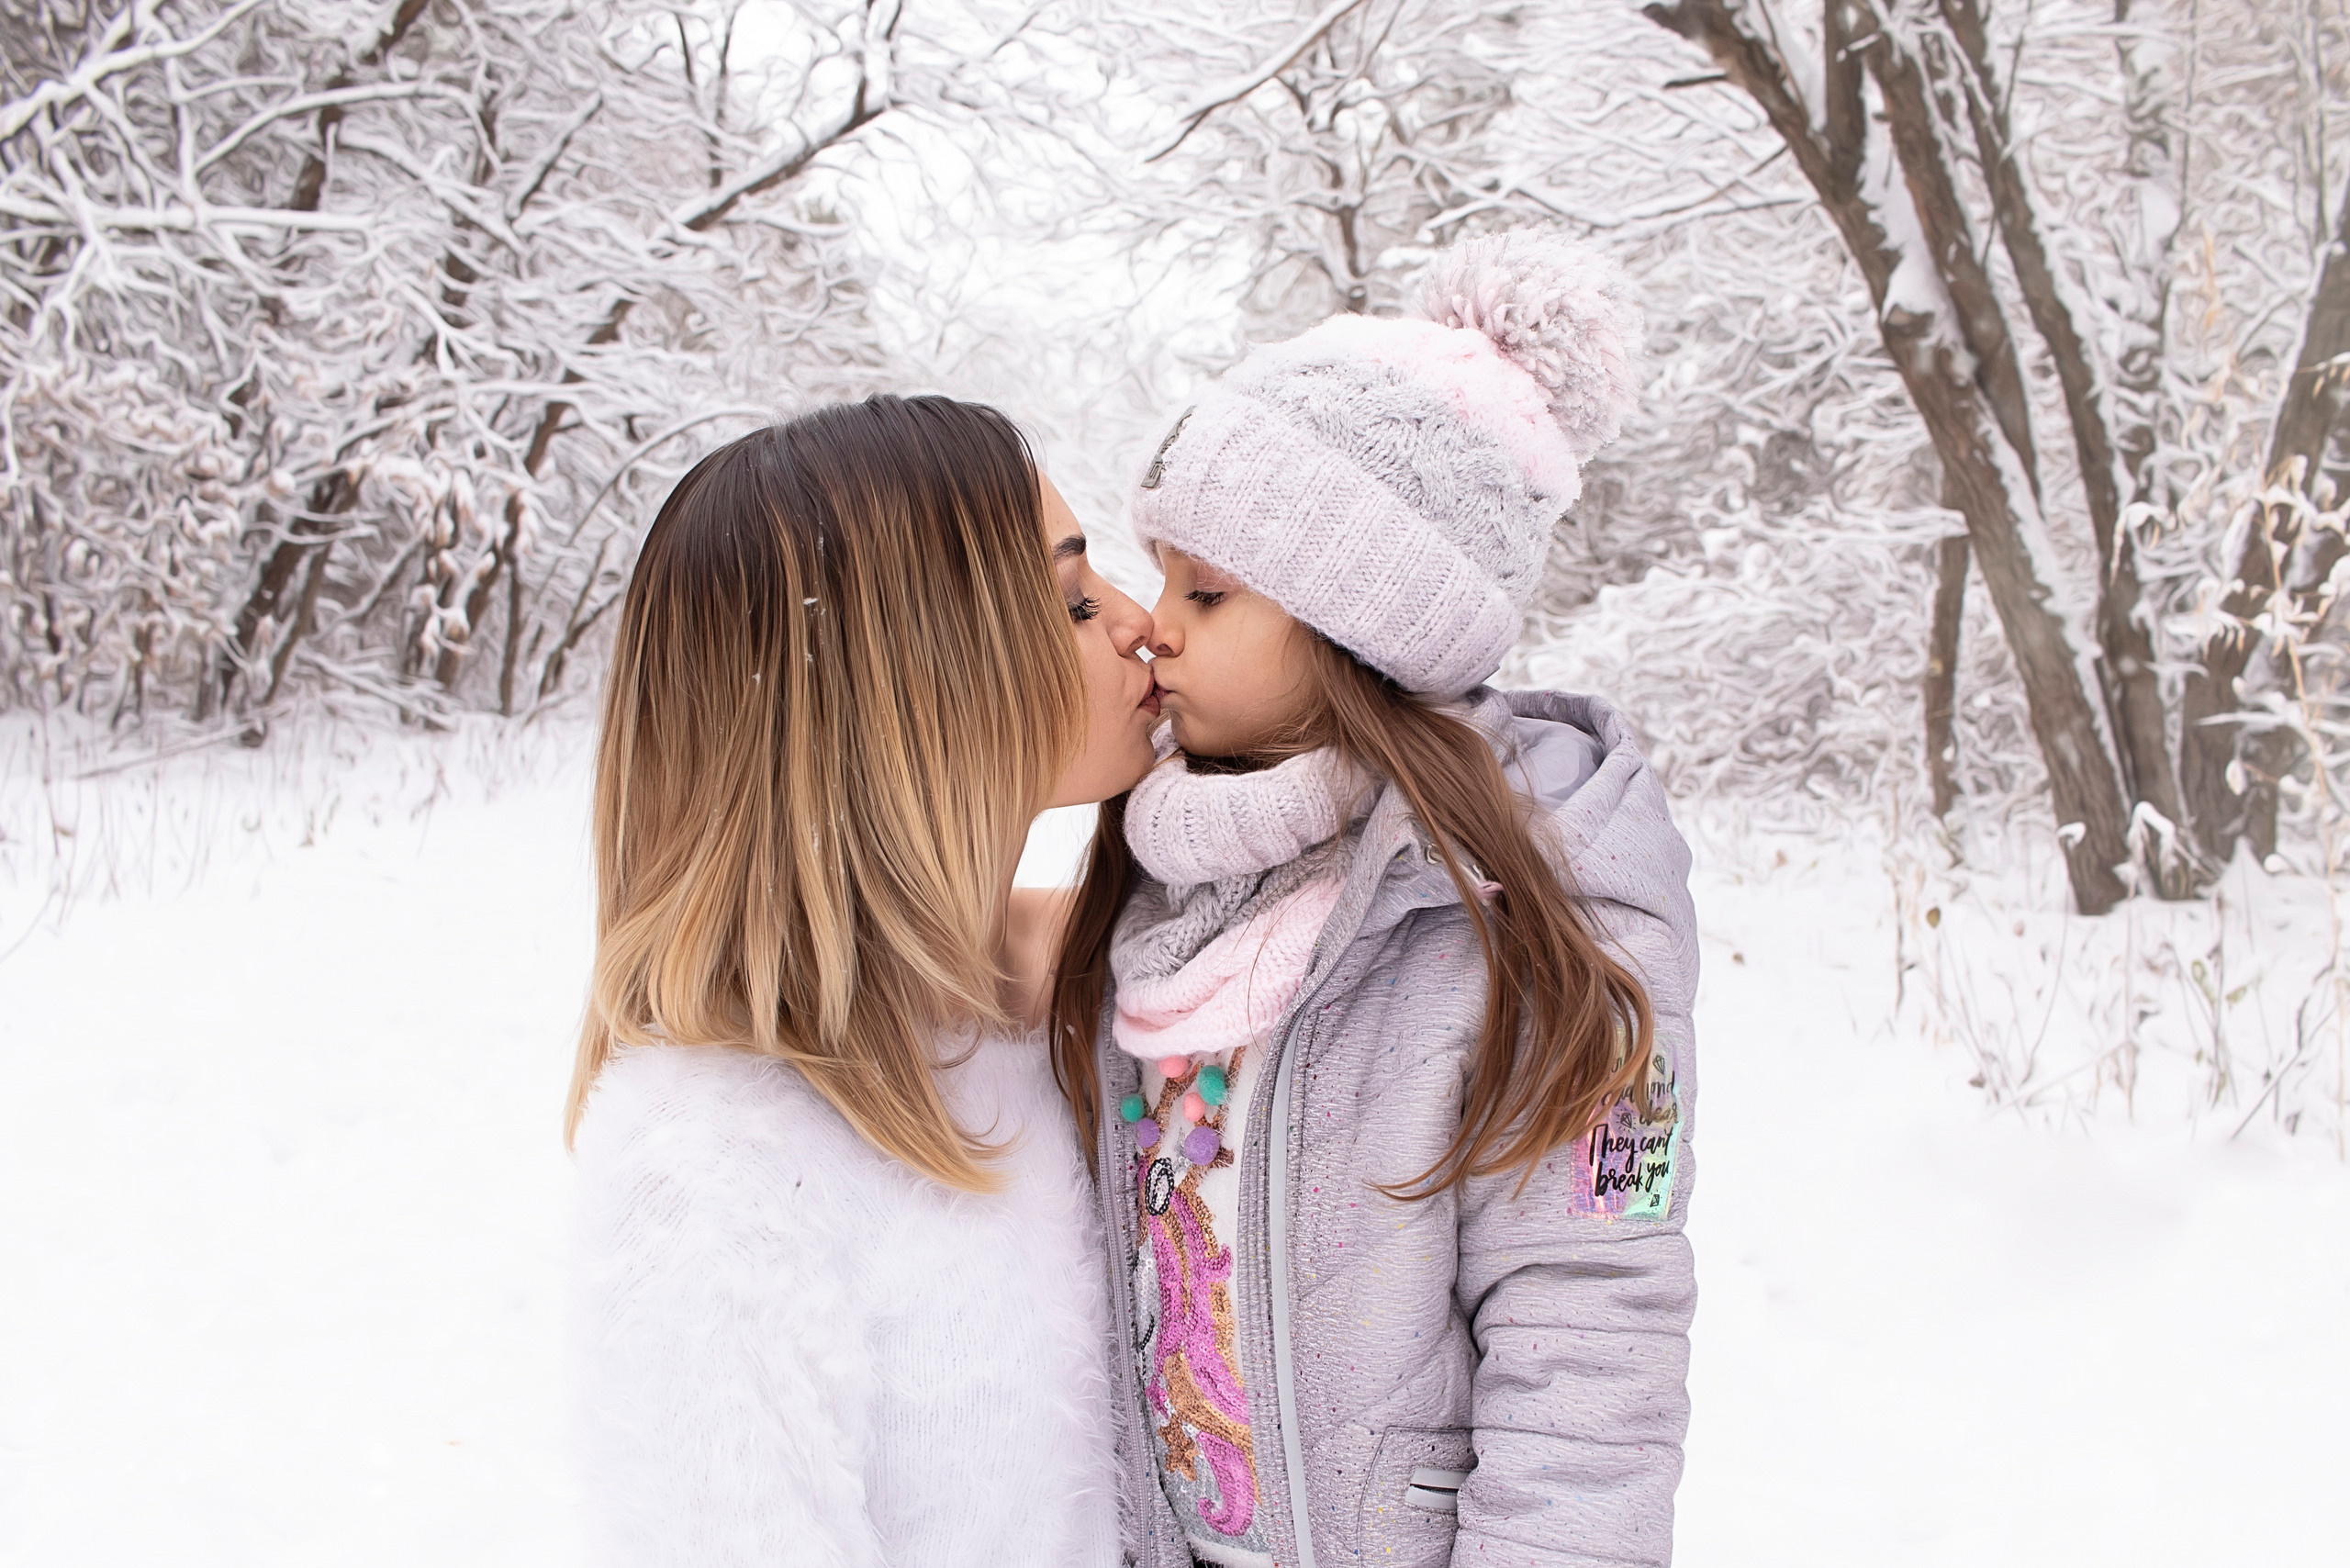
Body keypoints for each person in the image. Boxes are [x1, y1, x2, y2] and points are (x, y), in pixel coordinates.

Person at [1046, 231, 1701, 1568]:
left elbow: (1590, 1341)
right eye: (1163, 576)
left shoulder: (1538, 919)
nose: (1153, 623)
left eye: (1208, 592)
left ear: (1366, 626)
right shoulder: (1171, 867)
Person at [566, 395, 1158, 1566]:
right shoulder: (714, 1171)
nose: (1140, 624)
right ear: (915, 686)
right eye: (1075, 603)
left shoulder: (1094, 1015)